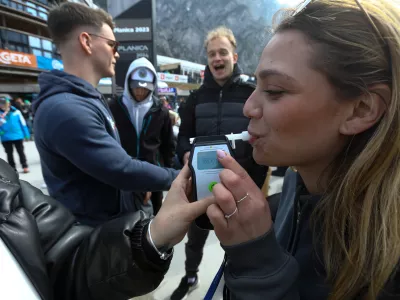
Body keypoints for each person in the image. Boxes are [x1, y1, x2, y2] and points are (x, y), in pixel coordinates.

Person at [183, 0, 400, 299]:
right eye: (257, 86)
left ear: (361, 109)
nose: (249, 107)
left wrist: (258, 263)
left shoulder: (389, 260)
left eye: (274, 91)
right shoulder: (288, 199)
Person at [32, 3, 178, 227]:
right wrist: (177, 177)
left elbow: (113, 165)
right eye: (112, 44)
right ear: (86, 42)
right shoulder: (66, 110)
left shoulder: (85, 100)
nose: (117, 53)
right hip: (95, 238)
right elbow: (121, 170)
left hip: (114, 221)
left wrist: (136, 192)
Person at [0, 156, 215, 300]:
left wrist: (151, 237)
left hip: (120, 219)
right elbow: (117, 165)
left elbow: (65, 259)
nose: (249, 109)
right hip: (93, 212)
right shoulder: (65, 106)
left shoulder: (4, 181)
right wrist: (172, 176)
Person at [172, 26, 268, 300]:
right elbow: (183, 139)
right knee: (195, 241)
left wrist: (254, 182)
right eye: (212, 53)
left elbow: (262, 141)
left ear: (234, 56)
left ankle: (235, 285)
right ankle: (190, 277)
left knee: (239, 245)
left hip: (240, 188)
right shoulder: (195, 98)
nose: (217, 58)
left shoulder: (251, 94)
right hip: (202, 188)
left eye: (222, 52)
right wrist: (185, 155)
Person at [109, 57, 175, 215]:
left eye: (145, 88)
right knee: (123, 220)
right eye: (136, 87)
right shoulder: (113, 107)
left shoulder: (161, 111)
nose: (140, 91)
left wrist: (167, 176)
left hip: (154, 176)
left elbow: (168, 146)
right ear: (127, 82)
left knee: (155, 221)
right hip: (121, 175)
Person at [0, 95, 30, 173]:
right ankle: (12, 169)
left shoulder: (16, 112)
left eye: (5, 103)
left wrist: (26, 134)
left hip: (18, 135)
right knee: (9, 154)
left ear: (9, 103)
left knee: (21, 152)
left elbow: (23, 123)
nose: (3, 105)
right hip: (6, 137)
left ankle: (25, 166)